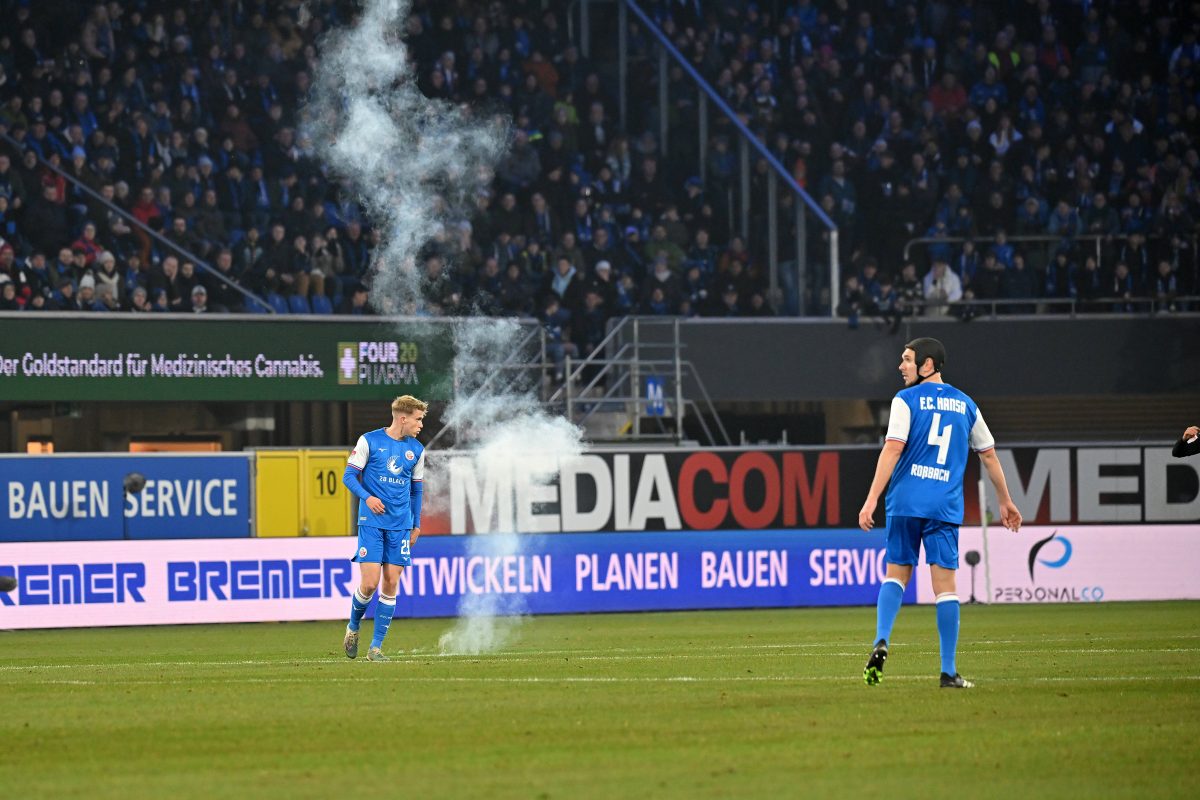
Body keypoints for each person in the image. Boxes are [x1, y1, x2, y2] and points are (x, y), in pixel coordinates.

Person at [857, 337, 1022, 689]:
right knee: (945, 588)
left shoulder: (905, 400)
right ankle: (948, 672)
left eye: (907, 359)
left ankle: (881, 639)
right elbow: (989, 455)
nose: (901, 366)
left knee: (896, 575)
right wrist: (1005, 502)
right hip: (943, 507)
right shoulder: (966, 405)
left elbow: (892, 450)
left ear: (927, 365)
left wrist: (871, 499)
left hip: (903, 503)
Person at [341, 395, 428, 661]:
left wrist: (416, 525)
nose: (420, 425)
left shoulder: (417, 450)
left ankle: (376, 648)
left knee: (391, 583)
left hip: (400, 526)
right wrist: (368, 497)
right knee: (369, 584)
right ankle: (353, 627)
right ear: (403, 418)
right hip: (372, 523)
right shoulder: (369, 441)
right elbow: (348, 477)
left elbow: (417, 490)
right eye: (418, 419)